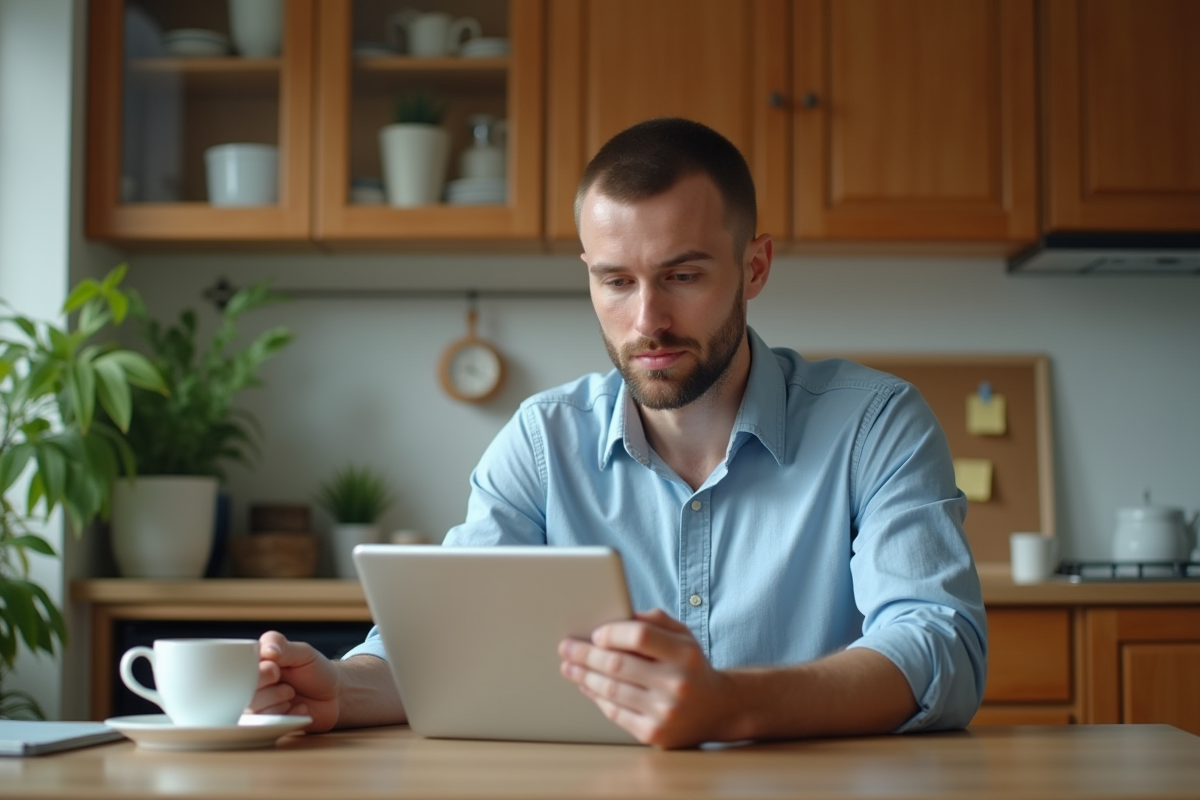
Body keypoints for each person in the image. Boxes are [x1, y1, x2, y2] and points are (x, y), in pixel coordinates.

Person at [250, 118, 988, 749]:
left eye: (682, 276)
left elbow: (939, 648)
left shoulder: (874, 424)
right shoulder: (541, 442)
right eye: (617, 281)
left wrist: (728, 702)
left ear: (754, 266)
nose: (647, 322)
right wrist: (341, 688)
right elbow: (447, 650)